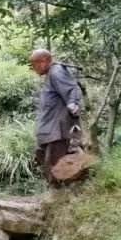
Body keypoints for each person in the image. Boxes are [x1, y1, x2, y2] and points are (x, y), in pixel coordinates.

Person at [29, 49, 82, 184]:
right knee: (45, 160)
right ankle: (57, 193)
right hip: (49, 128)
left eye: (34, 65)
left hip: (57, 129)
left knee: (54, 163)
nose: (33, 69)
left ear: (43, 61)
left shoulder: (57, 72)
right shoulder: (51, 73)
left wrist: (72, 103)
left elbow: (71, 89)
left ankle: (58, 196)